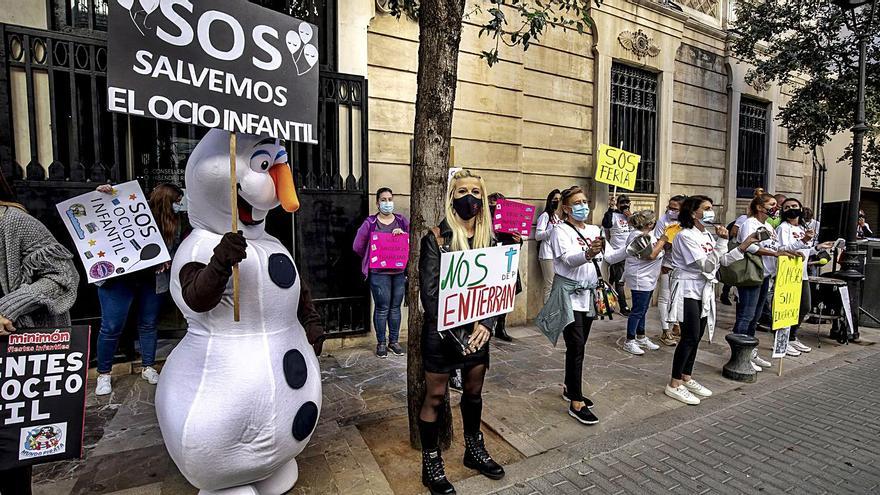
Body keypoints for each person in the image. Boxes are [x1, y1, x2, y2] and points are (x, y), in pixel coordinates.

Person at [417, 169, 504, 495]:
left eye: (476, 192)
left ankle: (474, 450)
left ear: (483, 197)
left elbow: (501, 289)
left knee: (473, 393)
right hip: (442, 335)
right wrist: (457, 336)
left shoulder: (491, 241)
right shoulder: (436, 238)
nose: (469, 197)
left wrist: (488, 324)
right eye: (462, 191)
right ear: (452, 197)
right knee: (436, 397)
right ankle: (431, 463)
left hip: (478, 332)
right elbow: (429, 295)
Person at [0, 170, 79, 495]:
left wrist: (8, 307)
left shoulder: (14, 224)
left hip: (13, 362)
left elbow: (63, 275)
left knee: (11, 465)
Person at [94, 183, 187, 396]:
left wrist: (168, 261)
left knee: (148, 324)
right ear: (166, 201)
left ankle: (148, 366)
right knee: (111, 326)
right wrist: (102, 195)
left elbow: (175, 248)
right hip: (119, 279)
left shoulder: (176, 222)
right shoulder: (132, 210)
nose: (180, 206)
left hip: (151, 280)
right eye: (177, 201)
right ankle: (104, 373)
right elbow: (100, 217)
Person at [664, 195, 758, 405]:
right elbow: (705, 266)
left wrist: (743, 245)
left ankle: (687, 376)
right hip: (687, 288)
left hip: (703, 290)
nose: (710, 212)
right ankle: (674, 383)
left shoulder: (706, 234)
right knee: (689, 336)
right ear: (692, 213)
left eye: (711, 207)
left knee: (697, 336)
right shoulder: (685, 236)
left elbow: (721, 260)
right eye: (706, 208)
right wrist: (722, 242)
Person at [548, 185, 603, 425]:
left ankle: (571, 388)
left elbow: (608, 256)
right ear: (567, 208)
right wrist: (588, 254)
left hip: (588, 297)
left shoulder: (594, 229)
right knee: (576, 346)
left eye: (585, 201)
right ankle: (576, 402)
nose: (583, 206)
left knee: (580, 345)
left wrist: (635, 247)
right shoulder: (560, 231)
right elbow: (569, 260)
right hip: (569, 296)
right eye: (577, 203)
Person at [733, 191, 801, 372]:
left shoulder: (769, 227)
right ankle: (739, 355)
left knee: (755, 317)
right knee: (746, 316)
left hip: (764, 276)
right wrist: (775, 253)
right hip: (751, 275)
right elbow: (751, 247)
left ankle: (750, 350)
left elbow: (778, 247)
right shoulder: (749, 224)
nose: (775, 208)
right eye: (771, 205)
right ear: (759, 207)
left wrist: (793, 250)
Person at [353, 187, 410, 358]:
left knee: (395, 308)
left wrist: (403, 235)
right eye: (383, 200)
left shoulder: (401, 221)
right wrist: (373, 250)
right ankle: (381, 343)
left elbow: (411, 240)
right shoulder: (370, 223)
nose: (387, 203)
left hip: (399, 272)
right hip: (379, 273)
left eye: (390, 199)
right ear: (377, 203)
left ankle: (394, 341)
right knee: (382, 308)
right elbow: (357, 246)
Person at [777, 198, 831, 356]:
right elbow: (784, 249)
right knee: (787, 309)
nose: (791, 209)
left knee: (805, 306)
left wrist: (817, 248)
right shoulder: (783, 228)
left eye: (794, 206)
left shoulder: (802, 228)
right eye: (787, 207)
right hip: (789, 273)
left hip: (802, 273)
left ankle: (792, 336)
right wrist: (804, 240)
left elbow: (805, 250)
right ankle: (782, 340)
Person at [620, 210, 666, 355]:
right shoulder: (637, 236)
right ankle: (629, 340)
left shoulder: (649, 235)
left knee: (643, 309)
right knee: (638, 310)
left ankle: (641, 336)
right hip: (640, 278)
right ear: (650, 223)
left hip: (649, 277)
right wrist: (663, 240)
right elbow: (651, 255)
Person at [487, 192, 522, 342]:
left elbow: (516, 245)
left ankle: (500, 326)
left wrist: (518, 240)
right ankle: (488, 325)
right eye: (491, 205)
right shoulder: (483, 223)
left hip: (506, 262)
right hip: (490, 262)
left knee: (507, 295)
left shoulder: (510, 221)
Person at [655, 195, 686, 346]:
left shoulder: (687, 223)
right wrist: (666, 242)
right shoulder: (663, 221)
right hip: (667, 263)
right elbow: (657, 243)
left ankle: (677, 326)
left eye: (675, 208)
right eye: (670, 207)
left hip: (684, 267)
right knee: (664, 298)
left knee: (679, 298)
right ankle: (665, 330)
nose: (671, 211)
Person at [602, 194, 633, 315]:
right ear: (618, 204)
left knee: (614, 279)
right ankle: (623, 306)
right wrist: (610, 209)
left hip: (631, 254)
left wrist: (632, 217)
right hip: (617, 254)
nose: (625, 205)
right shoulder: (612, 215)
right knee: (619, 281)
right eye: (622, 203)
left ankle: (609, 302)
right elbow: (607, 225)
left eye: (627, 203)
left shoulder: (632, 216)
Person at [535, 189, 563, 303]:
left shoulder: (559, 217)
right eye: (555, 199)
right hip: (547, 255)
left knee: (557, 285)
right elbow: (537, 236)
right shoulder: (545, 216)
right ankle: (547, 316)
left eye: (559, 199)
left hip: (558, 254)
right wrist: (551, 231)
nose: (557, 201)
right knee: (549, 285)